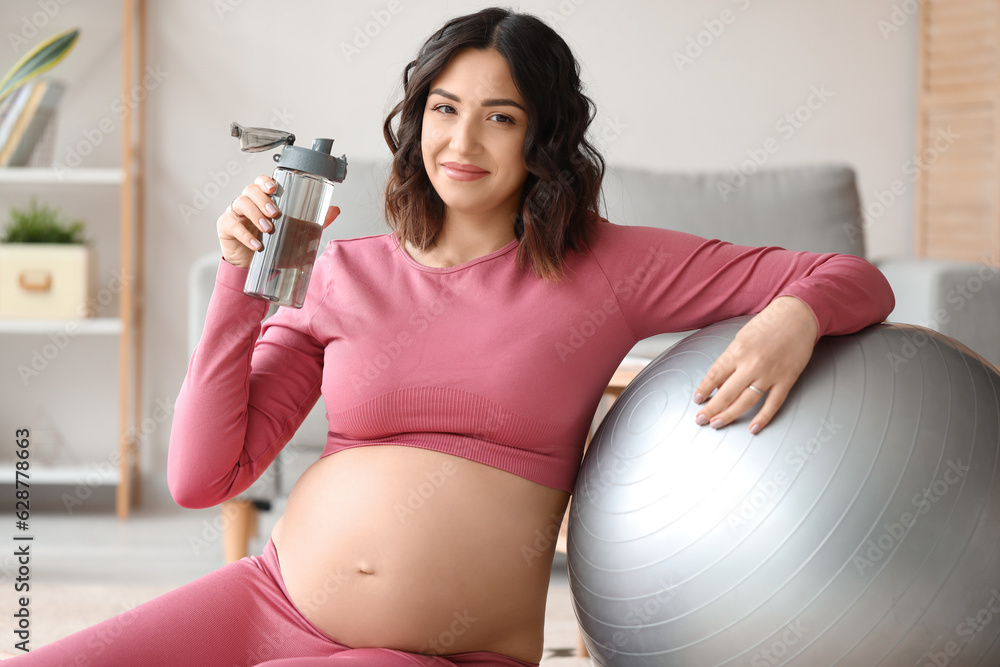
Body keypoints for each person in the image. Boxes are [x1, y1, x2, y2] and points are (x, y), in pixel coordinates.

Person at [5, 7, 894, 666]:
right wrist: (243, 281)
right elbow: (203, 477)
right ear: (415, 118)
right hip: (269, 600)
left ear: (543, 138)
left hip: (446, 652)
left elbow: (856, 277)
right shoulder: (342, 270)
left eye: (500, 117)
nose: (462, 139)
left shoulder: (605, 267)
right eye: (443, 107)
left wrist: (794, 314)